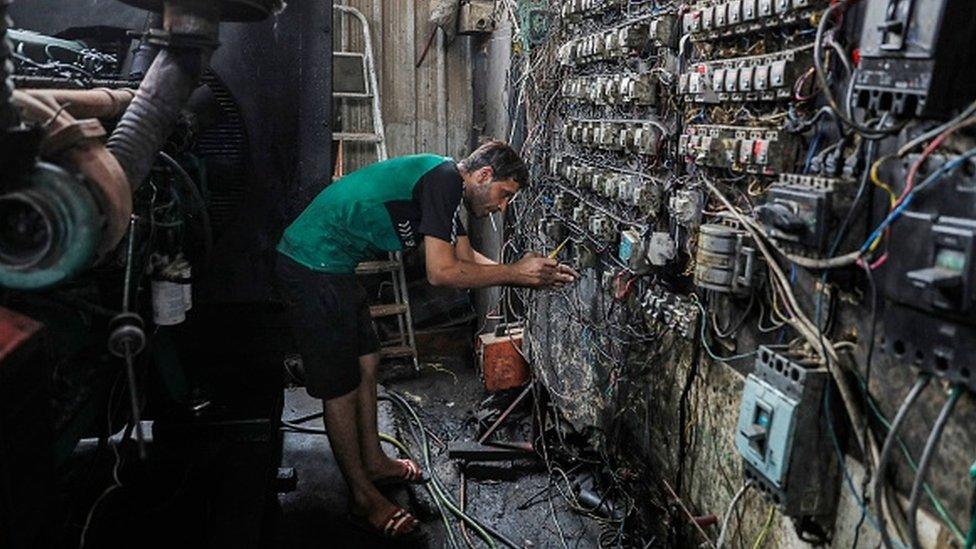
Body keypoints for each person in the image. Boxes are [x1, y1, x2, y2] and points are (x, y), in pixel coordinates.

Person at [275, 140, 578, 539]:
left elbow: (467, 260)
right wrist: (515, 274)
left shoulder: (450, 189)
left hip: (335, 266)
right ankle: (362, 496)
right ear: (484, 176)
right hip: (311, 263)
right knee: (339, 386)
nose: (502, 207)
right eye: (505, 195)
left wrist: (528, 274)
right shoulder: (444, 182)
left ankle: (374, 461)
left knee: (367, 360)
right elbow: (442, 272)